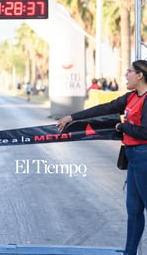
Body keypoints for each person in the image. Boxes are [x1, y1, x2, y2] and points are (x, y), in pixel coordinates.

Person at [57, 60, 147, 255]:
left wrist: (122, 127)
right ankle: (129, 252)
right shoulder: (132, 97)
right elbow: (105, 108)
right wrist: (72, 117)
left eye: (129, 71)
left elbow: (146, 132)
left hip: (144, 157)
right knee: (133, 211)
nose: (126, 75)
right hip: (133, 157)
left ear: (140, 75)